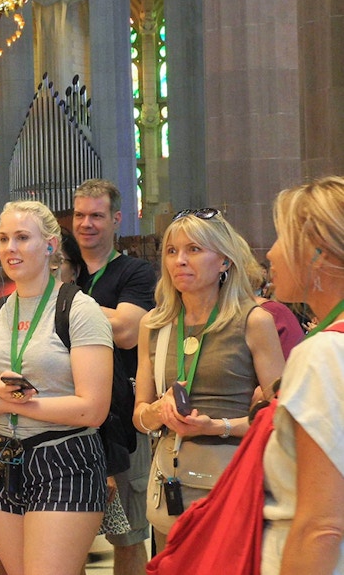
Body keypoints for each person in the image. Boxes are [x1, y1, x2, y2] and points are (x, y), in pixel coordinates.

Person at [0, 200, 114, 575]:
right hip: (1, 461)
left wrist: (7, 403)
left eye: (21, 238)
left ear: (49, 245)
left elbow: (93, 408)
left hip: (64, 459)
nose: (9, 248)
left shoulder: (80, 309)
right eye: (3, 239)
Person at [132, 207, 284, 549]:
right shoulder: (153, 325)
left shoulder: (253, 321)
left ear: (225, 262)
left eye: (194, 250)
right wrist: (158, 414)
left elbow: (282, 418)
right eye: (172, 251)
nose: (179, 261)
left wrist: (217, 427)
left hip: (232, 483)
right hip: (172, 484)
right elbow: (139, 416)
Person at [71, 178, 157, 575]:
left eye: (97, 215)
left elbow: (126, 330)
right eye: (80, 215)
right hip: (67, 422)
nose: (87, 223)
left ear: (116, 219)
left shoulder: (136, 272)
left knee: (129, 536)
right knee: (64, 537)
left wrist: (62, 304)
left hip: (122, 422)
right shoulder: (63, 272)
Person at [262, 175, 344, 575]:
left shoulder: (322, 354)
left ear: (317, 253)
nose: (270, 254)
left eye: (280, 238)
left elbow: (322, 526)